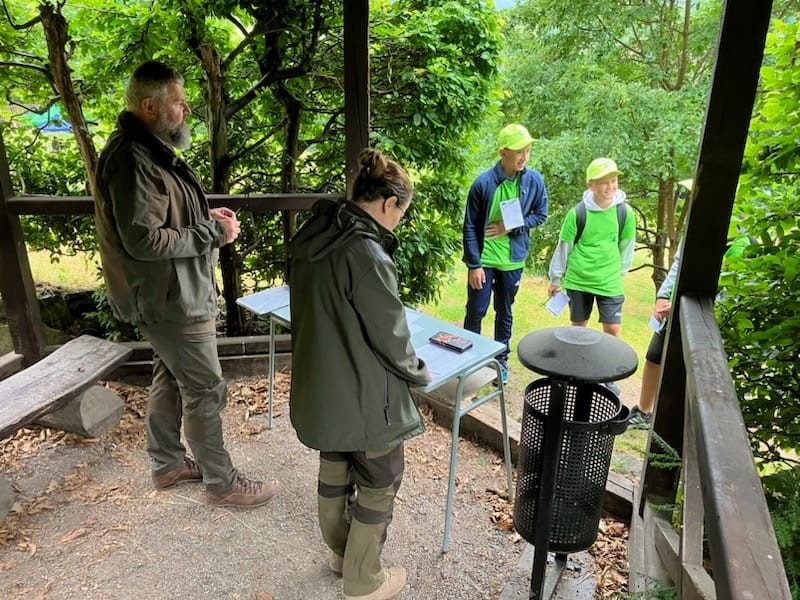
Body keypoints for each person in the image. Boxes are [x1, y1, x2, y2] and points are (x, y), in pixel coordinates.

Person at [94, 61, 276, 507]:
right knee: (205, 388)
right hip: (170, 298)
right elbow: (144, 240)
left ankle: (167, 464)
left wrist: (202, 216)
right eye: (178, 102)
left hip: (168, 293)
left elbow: (158, 218)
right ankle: (222, 482)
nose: (187, 109)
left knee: (171, 374)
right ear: (150, 106)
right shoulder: (133, 159)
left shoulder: (147, 149)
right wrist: (212, 233)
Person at [288, 148, 432, 600]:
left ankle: (342, 554)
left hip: (322, 387)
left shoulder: (315, 235)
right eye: (400, 214)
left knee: (335, 467)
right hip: (367, 396)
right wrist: (419, 372)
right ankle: (363, 580)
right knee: (379, 480)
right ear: (389, 203)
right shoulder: (366, 253)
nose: (398, 223)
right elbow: (391, 335)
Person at [462, 124, 549, 382]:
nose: (524, 157)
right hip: (484, 260)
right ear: (503, 152)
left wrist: (509, 225)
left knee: (505, 311)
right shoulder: (483, 184)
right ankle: (468, 361)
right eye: (519, 151)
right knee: (476, 310)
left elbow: (540, 214)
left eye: (528, 151)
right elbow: (469, 226)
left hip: (512, 260)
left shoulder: (533, 181)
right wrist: (474, 264)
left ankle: (501, 361)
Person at [548, 157, 636, 337]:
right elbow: (564, 248)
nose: (611, 186)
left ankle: (609, 358)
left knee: (612, 330)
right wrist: (555, 279)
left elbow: (627, 247)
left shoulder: (624, 213)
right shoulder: (577, 213)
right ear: (590, 185)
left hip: (609, 281)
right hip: (579, 280)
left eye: (614, 181)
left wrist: (619, 274)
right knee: (578, 328)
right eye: (604, 182)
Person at [628, 242, 681, 428]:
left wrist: (681, 307)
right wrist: (663, 296)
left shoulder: (740, 242)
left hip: (697, 316)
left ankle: (670, 422)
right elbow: (678, 263)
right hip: (671, 311)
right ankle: (643, 413)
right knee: (654, 356)